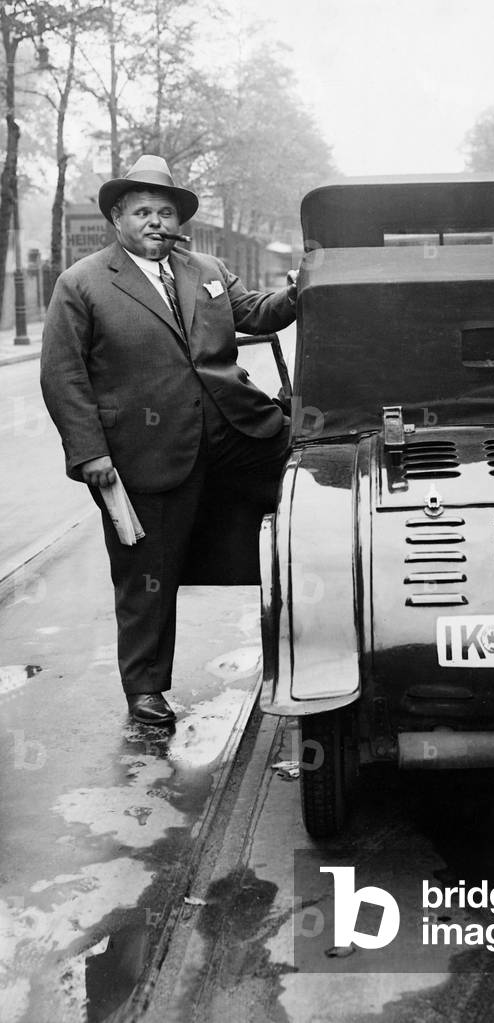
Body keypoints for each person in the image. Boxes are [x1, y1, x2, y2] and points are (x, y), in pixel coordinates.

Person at [41, 155, 297, 726]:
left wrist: (302, 289)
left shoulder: (206, 267)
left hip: (241, 432)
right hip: (146, 451)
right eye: (143, 212)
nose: (156, 222)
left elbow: (256, 313)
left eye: (165, 212)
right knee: (145, 572)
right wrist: (91, 453)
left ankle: (313, 652)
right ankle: (147, 690)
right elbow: (62, 375)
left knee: (312, 520)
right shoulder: (81, 283)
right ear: (117, 217)